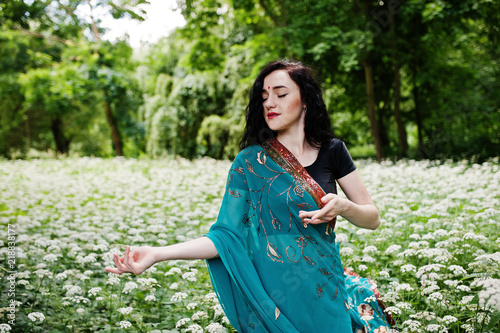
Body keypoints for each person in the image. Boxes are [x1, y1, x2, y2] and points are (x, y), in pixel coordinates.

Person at [105, 60, 394, 332]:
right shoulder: (249, 163)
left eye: (280, 94)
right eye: (265, 96)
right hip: (272, 296)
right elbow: (225, 238)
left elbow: (372, 218)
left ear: (305, 100)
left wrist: (343, 206)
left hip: (324, 289)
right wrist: (158, 254)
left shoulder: (333, 151)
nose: (269, 102)